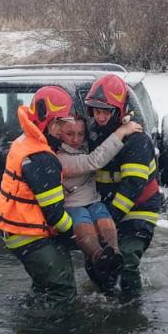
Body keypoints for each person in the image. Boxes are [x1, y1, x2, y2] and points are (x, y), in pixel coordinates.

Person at [0, 85, 79, 307]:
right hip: (29, 233)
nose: (63, 131)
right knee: (62, 289)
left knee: (43, 286)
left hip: (18, 231)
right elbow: (55, 214)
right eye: (59, 123)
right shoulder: (41, 157)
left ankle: (28, 328)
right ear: (46, 120)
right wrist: (75, 235)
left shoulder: (25, 141)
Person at [85, 73, 163, 297]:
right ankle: (106, 296)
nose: (100, 117)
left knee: (127, 260)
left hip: (139, 211)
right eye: (96, 111)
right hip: (106, 210)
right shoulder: (94, 135)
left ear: (118, 111)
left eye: (105, 112)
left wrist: (108, 219)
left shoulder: (137, 140)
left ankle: (132, 310)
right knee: (96, 260)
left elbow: (132, 186)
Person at [55, 113, 144, 286]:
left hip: (93, 201)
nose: (75, 139)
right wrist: (122, 131)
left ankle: (115, 252)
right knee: (82, 218)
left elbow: (101, 131)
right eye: (70, 134)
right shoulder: (60, 157)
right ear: (59, 133)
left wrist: (124, 121)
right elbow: (94, 160)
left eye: (80, 134)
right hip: (73, 204)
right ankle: (97, 256)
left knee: (101, 213)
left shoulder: (85, 146)